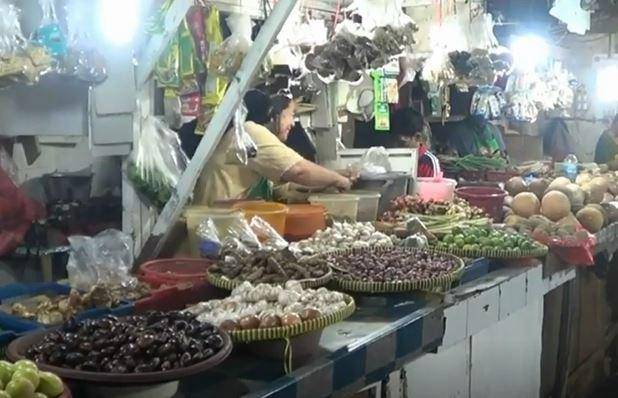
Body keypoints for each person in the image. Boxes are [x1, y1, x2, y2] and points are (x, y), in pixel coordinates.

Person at [194, 90, 352, 204]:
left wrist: (333, 176)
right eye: (291, 115)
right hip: (217, 224)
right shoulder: (250, 132)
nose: (292, 123)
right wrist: (339, 180)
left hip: (223, 219)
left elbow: (287, 187)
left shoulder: (246, 134)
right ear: (275, 115)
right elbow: (299, 171)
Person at [353, 108, 435, 178]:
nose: (397, 147)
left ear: (417, 138)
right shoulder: (385, 156)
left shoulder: (428, 162)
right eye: (394, 142)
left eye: (402, 143)